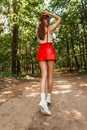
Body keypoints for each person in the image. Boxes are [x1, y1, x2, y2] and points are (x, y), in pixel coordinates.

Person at [36, 11, 61, 115]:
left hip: (41, 51)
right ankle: (48, 98)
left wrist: (43, 18)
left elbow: (39, 41)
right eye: (48, 19)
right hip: (50, 50)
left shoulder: (37, 30)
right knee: (50, 76)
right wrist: (49, 14)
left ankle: (43, 100)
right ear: (47, 20)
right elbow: (59, 19)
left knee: (44, 76)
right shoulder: (50, 29)